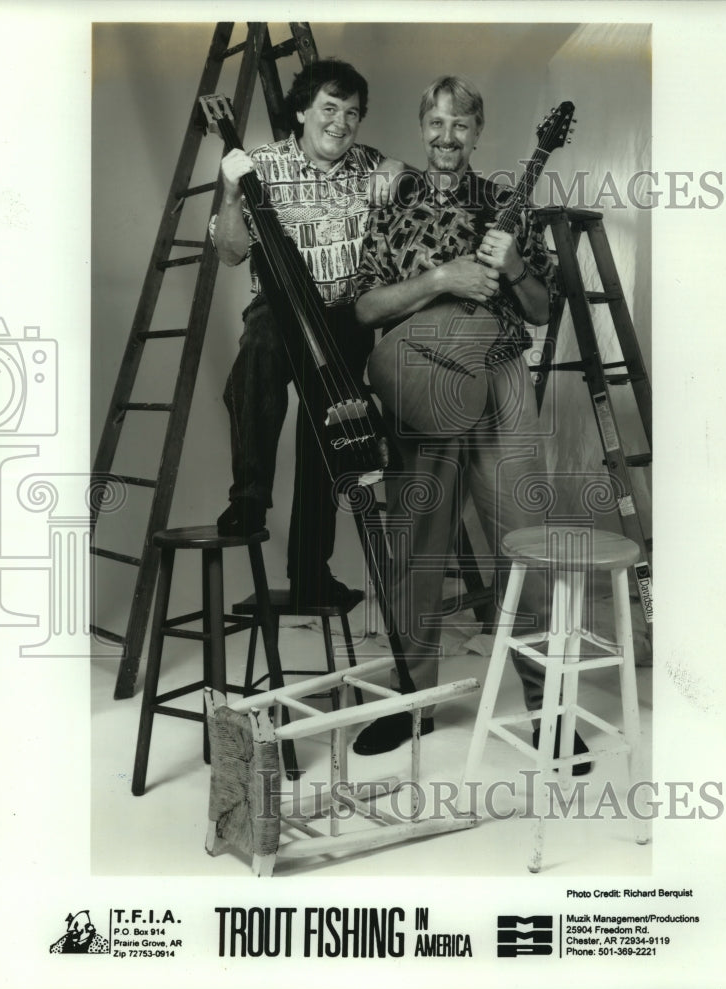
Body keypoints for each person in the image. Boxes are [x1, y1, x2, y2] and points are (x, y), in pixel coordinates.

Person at [352, 75, 591, 770]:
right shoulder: (393, 208)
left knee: (527, 545)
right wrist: (439, 281)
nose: (447, 137)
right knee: (415, 550)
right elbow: (365, 309)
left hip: (499, 381)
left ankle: (548, 712)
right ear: (421, 126)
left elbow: (544, 310)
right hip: (421, 384)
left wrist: (514, 265)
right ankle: (412, 704)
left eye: (460, 125)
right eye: (435, 123)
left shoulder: (504, 203)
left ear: (478, 131)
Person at [211, 58, 403, 606]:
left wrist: (398, 167)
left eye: (352, 113)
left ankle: (310, 572)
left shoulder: (369, 165)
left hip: (343, 316)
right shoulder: (261, 165)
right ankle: (248, 496)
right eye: (329, 108)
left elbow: (418, 188)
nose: (340, 122)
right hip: (280, 309)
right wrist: (229, 194)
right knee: (257, 357)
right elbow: (228, 253)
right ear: (302, 111)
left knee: (327, 432)